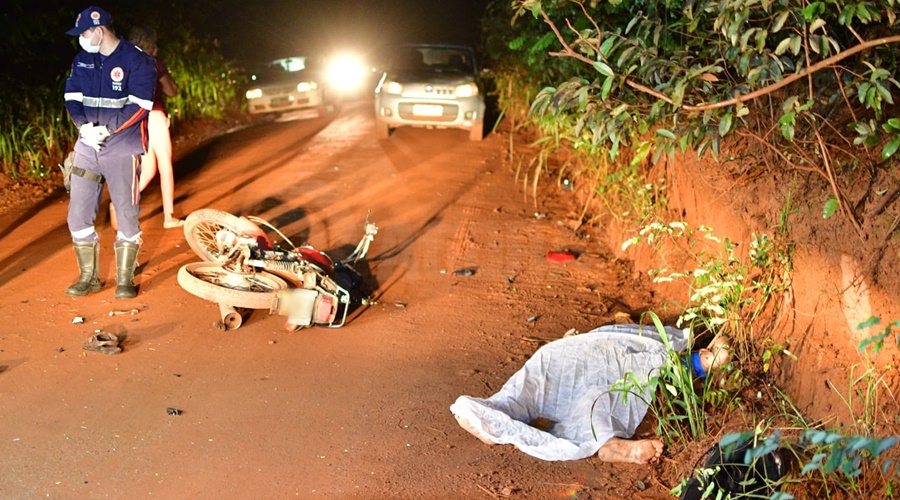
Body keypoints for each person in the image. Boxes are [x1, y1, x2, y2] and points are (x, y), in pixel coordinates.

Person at [63, 6, 156, 299]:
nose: (81, 39)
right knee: (77, 213)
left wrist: (108, 129)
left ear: (99, 30)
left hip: (122, 147)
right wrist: (83, 127)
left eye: (84, 33)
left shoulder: (138, 61)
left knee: (126, 213)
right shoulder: (82, 60)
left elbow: (141, 105)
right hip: (88, 146)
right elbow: (72, 97)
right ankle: (88, 277)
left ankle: (124, 279)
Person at [128, 25, 183, 229]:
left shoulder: (128, 64)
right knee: (165, 166)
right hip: (155, 116)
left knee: (148, 168)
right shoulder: (153, 64)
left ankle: (123, 203)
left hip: (137, 119)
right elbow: (171, 91)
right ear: (150, 45)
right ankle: (169, 217)